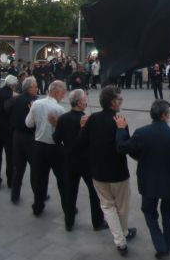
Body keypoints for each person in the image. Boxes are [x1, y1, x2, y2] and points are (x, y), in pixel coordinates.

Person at [116, 99, 170, 258]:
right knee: (168, 213)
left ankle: (160, 244)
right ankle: (169, 242)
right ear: (164, 115)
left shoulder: (141, 132)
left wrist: (121, 129)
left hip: (148, 181)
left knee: (149, 211)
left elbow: (123, 147)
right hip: (169, 182)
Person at [80, 85, 136, 255]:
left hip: (98, 172)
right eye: (120, 99)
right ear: (113, 102)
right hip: (118, 173)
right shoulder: (120, 120)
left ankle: (120, 239)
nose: (121, 102)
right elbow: (124, 147)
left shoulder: (92, 118)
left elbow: (81, 142)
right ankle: (123, 235)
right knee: (122, 206)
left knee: (107, 206)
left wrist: (83, 127)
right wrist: (122, 129)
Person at [52, 89, 106, 232]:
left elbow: (56, 139)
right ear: (80, 102)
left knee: (70, 191)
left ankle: (69, 221)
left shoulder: (63, 118)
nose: (86, 102)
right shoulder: (88, 120)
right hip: (86, 162)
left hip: (69, 160)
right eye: (85, 100)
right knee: (94, 192)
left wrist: (66, 148)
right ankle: (97, 221)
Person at [25, 80, 68, 218]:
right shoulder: (60, 110)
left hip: (38, 146)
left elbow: (28, 124)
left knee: (39, 178)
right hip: (55, 147)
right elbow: (64, 133)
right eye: (63, 92)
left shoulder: (36, 104)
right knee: (62, 179)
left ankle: (38, 206)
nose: (64, 95)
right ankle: (68, 208)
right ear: (56, 92)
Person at [8, 76, 38, 204]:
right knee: (35, 168)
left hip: (16, 136)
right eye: (35, 87)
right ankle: (38, 195)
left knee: (18, 167)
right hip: (29, 136)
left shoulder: (16, 99)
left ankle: (15, 194)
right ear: (29, 88)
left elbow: (6, 108)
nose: (37, 89)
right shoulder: (33, 101)